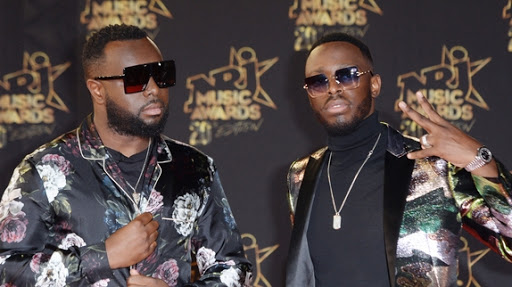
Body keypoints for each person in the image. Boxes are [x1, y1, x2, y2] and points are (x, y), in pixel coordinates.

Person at [0, 24, 252, 286]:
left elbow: (234, 268)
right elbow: (5, 271)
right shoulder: (43, 169)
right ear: (97, 89)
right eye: (137, 79)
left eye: (162, 74)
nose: (154, 89)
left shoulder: (194, 168)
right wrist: (103, 257)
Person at [285, 32, 512, 286]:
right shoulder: (301, 175)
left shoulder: (432, 167)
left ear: (374, 85)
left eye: (346, 75)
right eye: (318, 82)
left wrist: (479, 158)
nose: (333, 88)